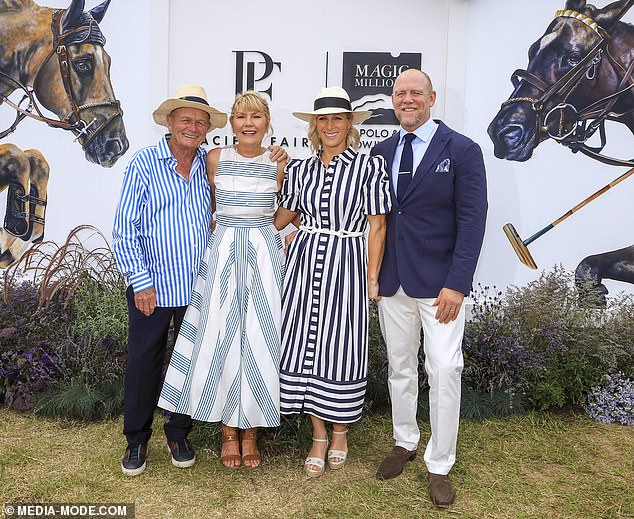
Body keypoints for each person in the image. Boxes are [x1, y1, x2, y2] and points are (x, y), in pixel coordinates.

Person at [113, 85, 285, 476]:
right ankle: (137, 441)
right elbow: (125, 229)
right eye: (185, 119)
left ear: (208, 128)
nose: (192, 126)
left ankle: (178, 434)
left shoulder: (214, 161)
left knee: (194, 358)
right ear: (170, 122)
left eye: (199, 121)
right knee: (144, 360)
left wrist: (267, 236)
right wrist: (140, 281)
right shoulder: (147, 163)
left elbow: (238, 209)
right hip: (155, 284)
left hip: (202, 280)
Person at [371, 69, 487, 507]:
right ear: (393, 100)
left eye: (415, 92)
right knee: (400, 367)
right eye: (400, 93)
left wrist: (457, 284)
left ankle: (440, 463)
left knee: (443, 370)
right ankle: (404, 441)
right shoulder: (380, 152)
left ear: (432, 97)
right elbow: (376, 215)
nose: (407, 99)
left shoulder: (462, 150)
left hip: (441, 288)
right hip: (393, 282)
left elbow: (473, 223)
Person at [274, 86, 391, 478]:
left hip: (348, 262)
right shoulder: (301, 169)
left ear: (349, 124)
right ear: (314, 126)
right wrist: (241, 233)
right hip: (305, 262)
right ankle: (318, 435)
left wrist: (372, 277)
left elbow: (378, 226)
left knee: (341, 346)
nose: (329, 126)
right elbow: (285, 216)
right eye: (322, 119)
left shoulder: (368, 167)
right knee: (303, 342)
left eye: (336, 119)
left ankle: (340, 432)